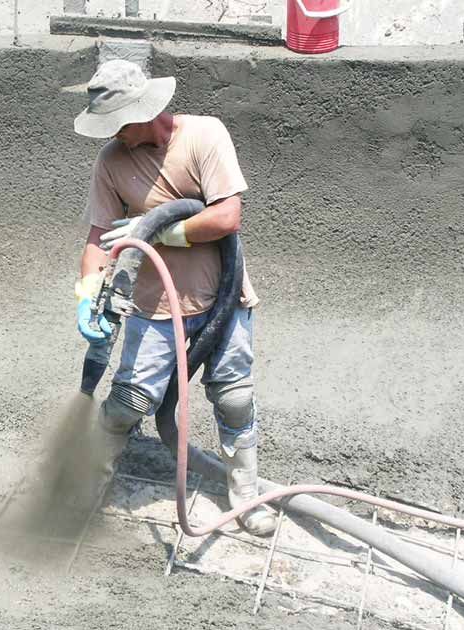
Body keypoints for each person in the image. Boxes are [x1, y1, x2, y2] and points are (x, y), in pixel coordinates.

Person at [72, 59, 276, 536]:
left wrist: (158, 231)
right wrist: (87, 296)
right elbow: (98, 240)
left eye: (117, 124)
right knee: (127, 403)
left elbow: (227, 218)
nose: (113, 135)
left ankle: (244, 492)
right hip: (153, 306)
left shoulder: (205, 136)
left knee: (235, 399)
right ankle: (92, 480)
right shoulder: (111, 163)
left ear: (144, 112)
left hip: (222, 299)